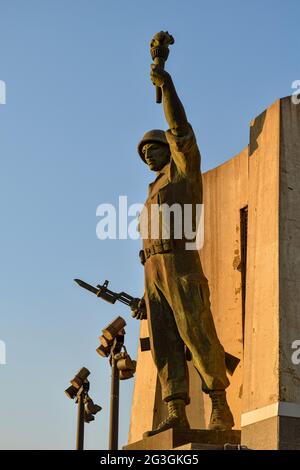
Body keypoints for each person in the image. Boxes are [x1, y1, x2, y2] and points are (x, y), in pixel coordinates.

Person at [131, 63, 234, 437]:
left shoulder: (184, 172)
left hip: (180, 262)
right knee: (164, 342)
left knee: (197, 332)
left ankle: (219, 404)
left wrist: (164, 82)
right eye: (144, 152)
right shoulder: (151, 192)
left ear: (169, 150)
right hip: (153, 271)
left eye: (153, 149)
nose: (148, 156)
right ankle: (176, 409)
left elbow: (180, 130)